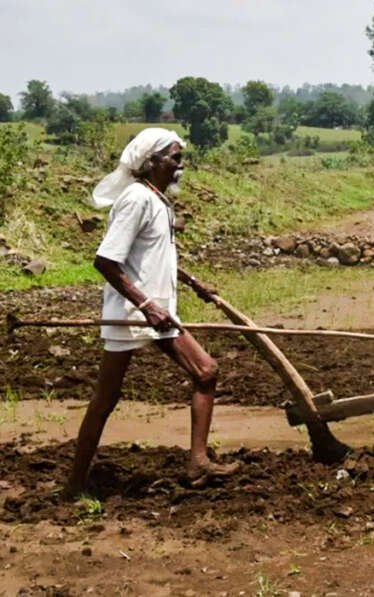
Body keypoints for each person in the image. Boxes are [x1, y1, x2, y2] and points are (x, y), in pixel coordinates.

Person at [65, 128, 239, 497]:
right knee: (106, 399)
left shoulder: (158, 200)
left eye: (181, 158)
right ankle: (74, 486)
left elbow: (150, 256)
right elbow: (106, 261)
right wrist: (146, 305)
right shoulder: (135, 200)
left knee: (206, 371)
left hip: (156, 313)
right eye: (175, 158)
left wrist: (193, 282)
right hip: (134, 314)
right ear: (151, 162)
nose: (181, 165)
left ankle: (198, 461)